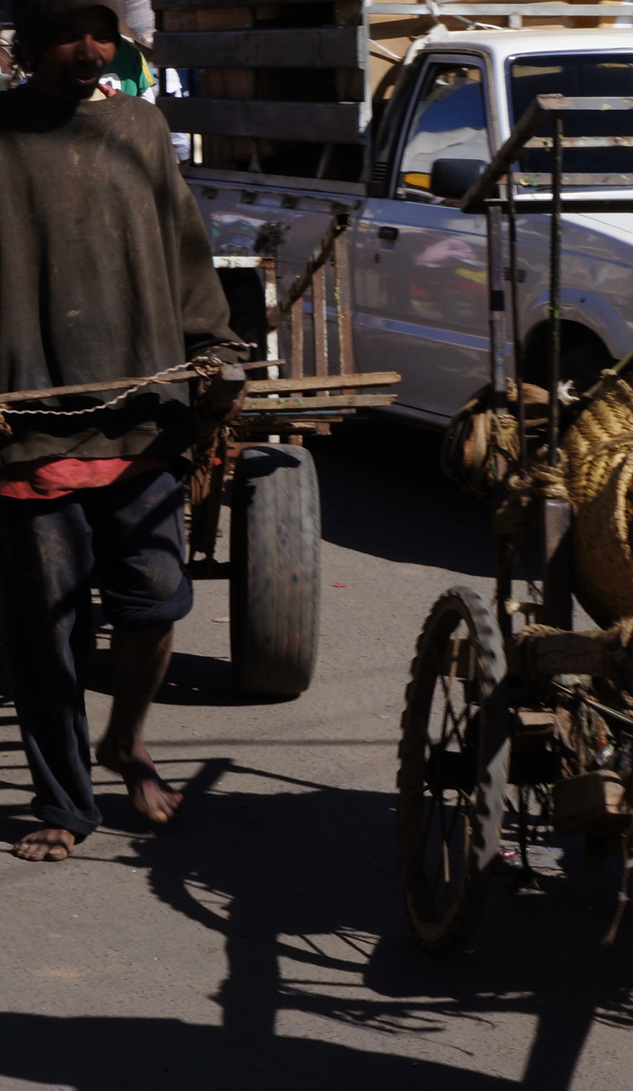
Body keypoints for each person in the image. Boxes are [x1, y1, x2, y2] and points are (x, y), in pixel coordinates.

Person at [0, 0, 245, 861]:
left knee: (154, 604)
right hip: (28, 429)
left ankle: (125, 738)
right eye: (68, 33)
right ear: (27, 47)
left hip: (143, 417)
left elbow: (185, 250)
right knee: (47, 630)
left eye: (100, 33)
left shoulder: (140, 128)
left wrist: (214, 351)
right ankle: (65, 802)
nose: (89, 49)